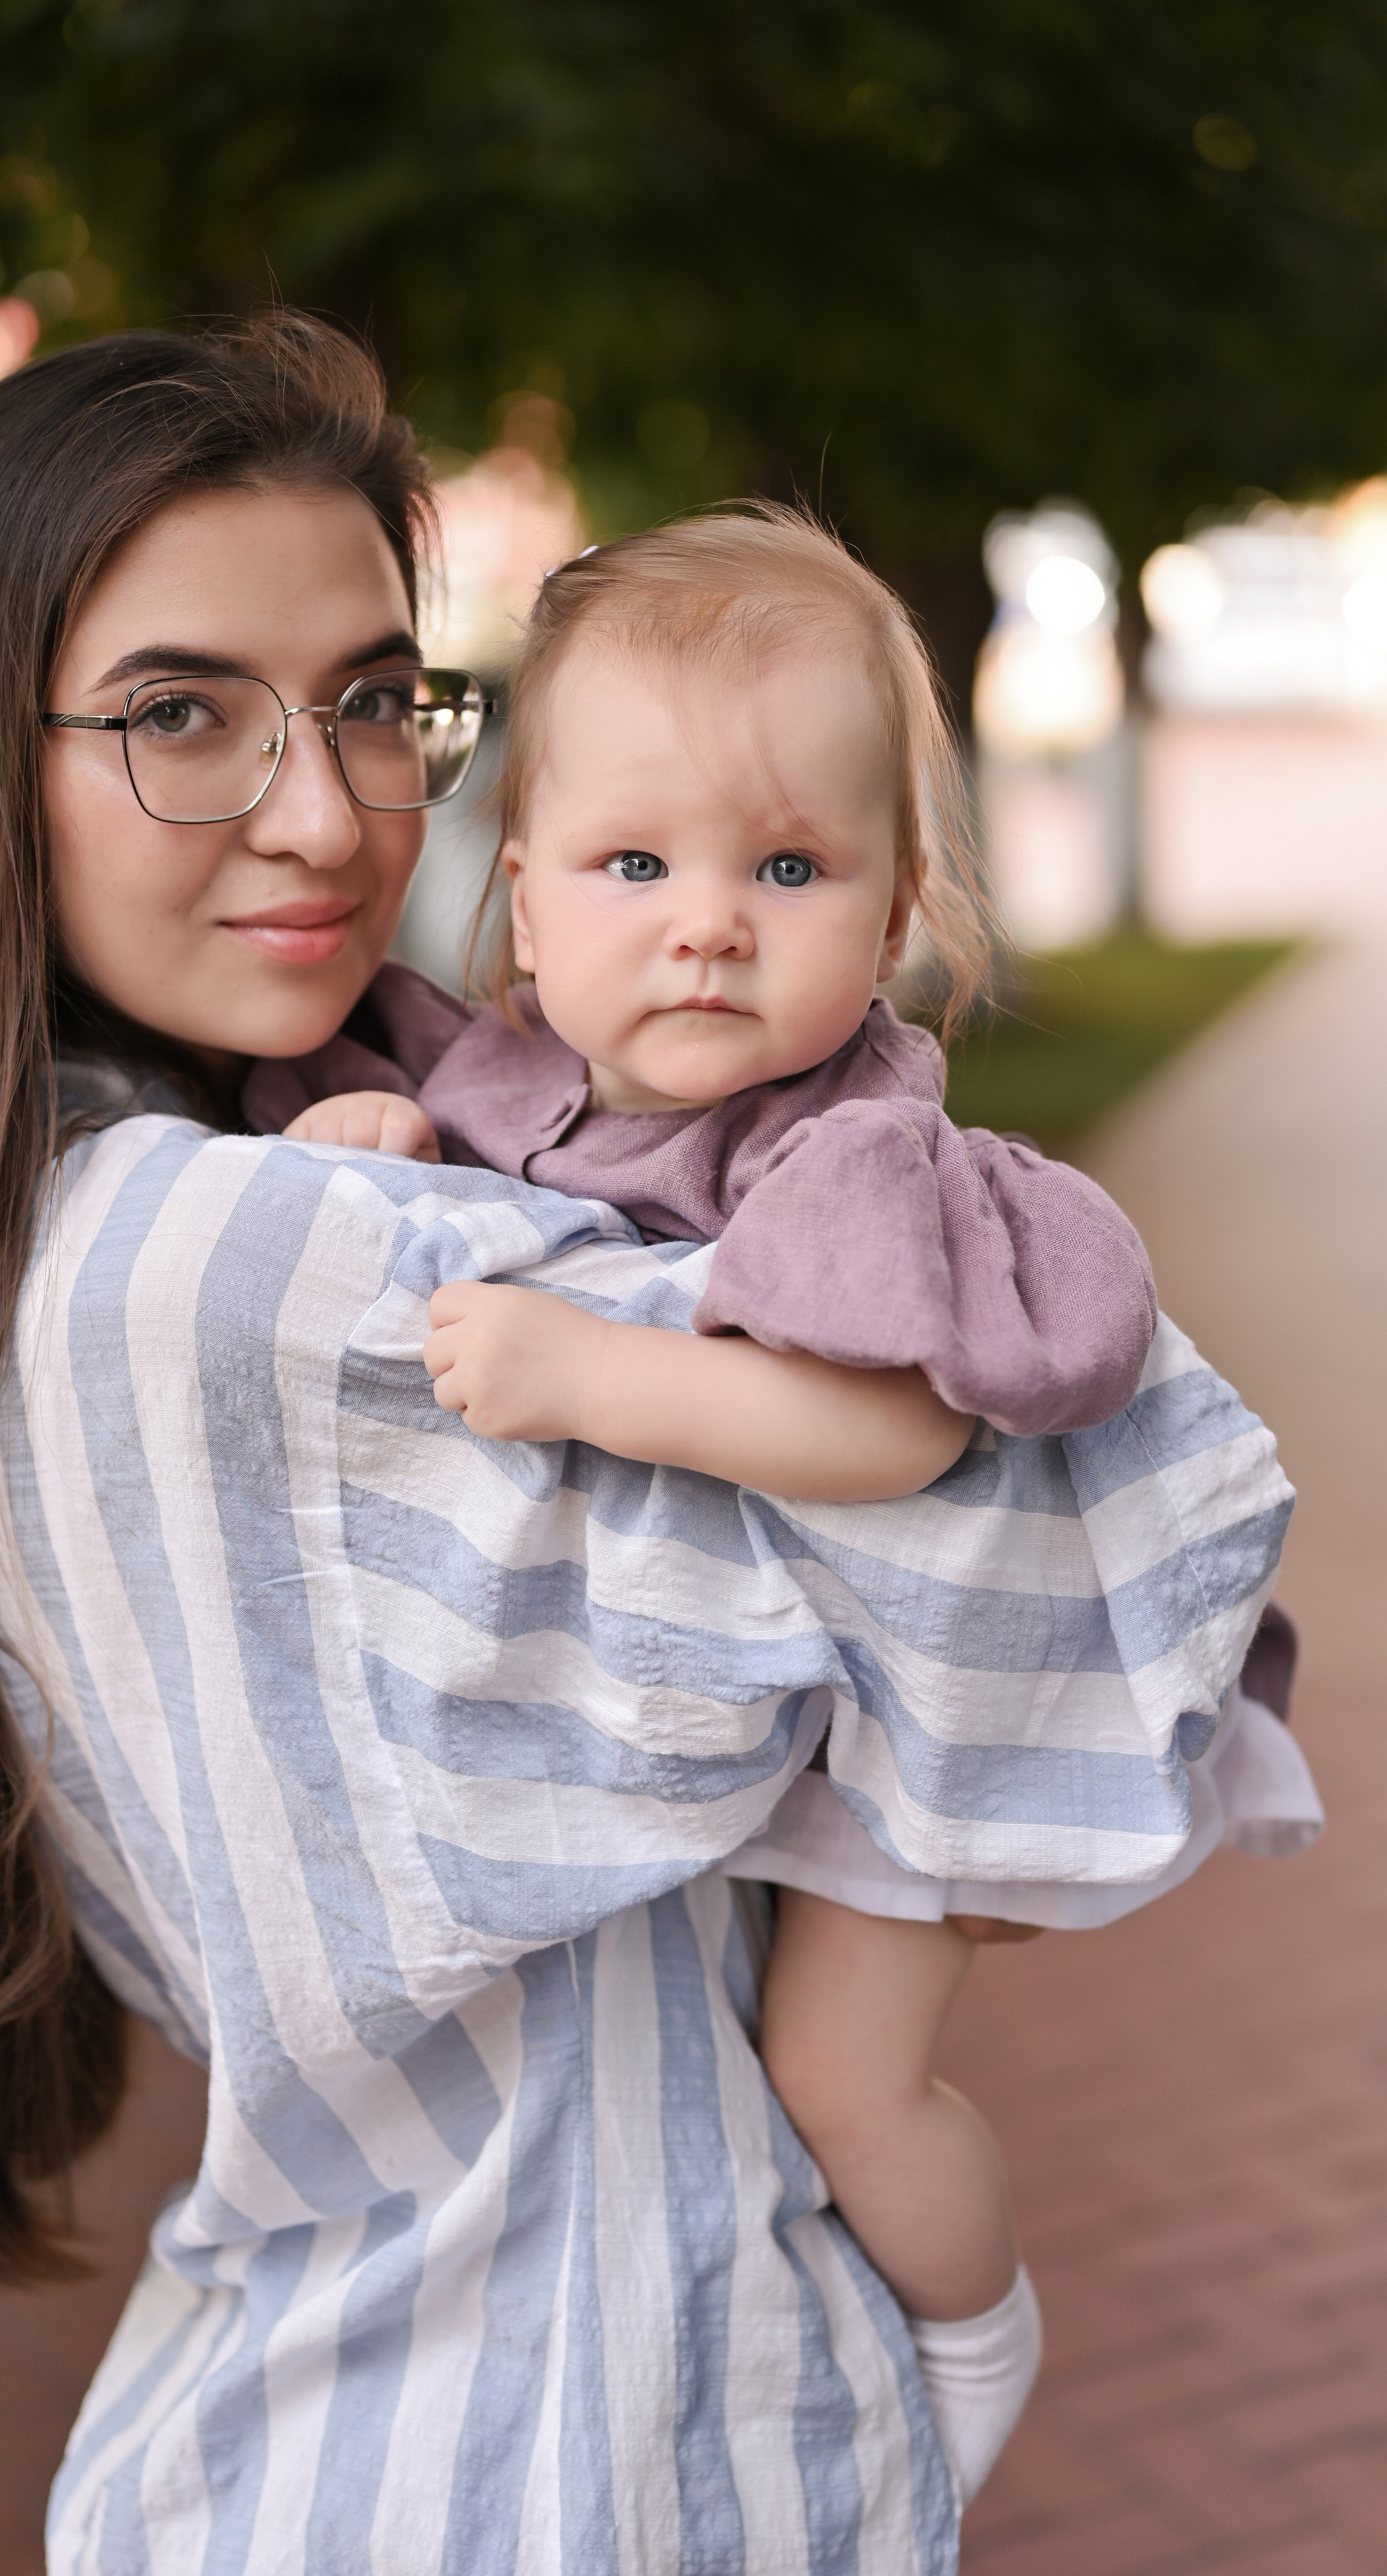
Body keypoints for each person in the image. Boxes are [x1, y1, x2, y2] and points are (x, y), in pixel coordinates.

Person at [0, 311, 1300, 2571]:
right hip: (493, 2466)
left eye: (378, 702)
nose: (323, 810)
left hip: (594, 2421)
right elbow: (1098, 1541)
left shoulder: (270, 1169)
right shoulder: (203, 1263)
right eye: (182, 713)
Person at [273, 507, 1320, 2493]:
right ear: (524, 896)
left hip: (930, 1714)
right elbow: (462, 1178)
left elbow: (891, 1434)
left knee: (838, 2076)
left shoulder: (854, 1150)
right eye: (636, 862)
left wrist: (597, 1372)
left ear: (897, 900)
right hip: (766, 1714)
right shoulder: (513, 1084)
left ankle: (966, 2338)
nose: (709, 922)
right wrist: (381, 1134)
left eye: (788, 866)